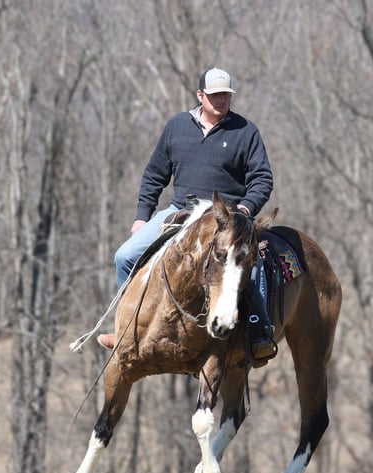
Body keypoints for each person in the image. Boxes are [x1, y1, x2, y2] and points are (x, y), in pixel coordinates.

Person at [98, 67, 277, 363]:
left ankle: (259, 331)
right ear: (200, 95)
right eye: (215, 94)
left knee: (248, 264)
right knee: (125, 256)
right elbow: (155, 174)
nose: (221, 100)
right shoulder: (177, 126)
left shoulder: (246, 131)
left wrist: (244, 210)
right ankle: (126, 329)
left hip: (225, 216)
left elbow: (262, 178)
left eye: (225, 95)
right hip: (180, 210)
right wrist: (142, 216)